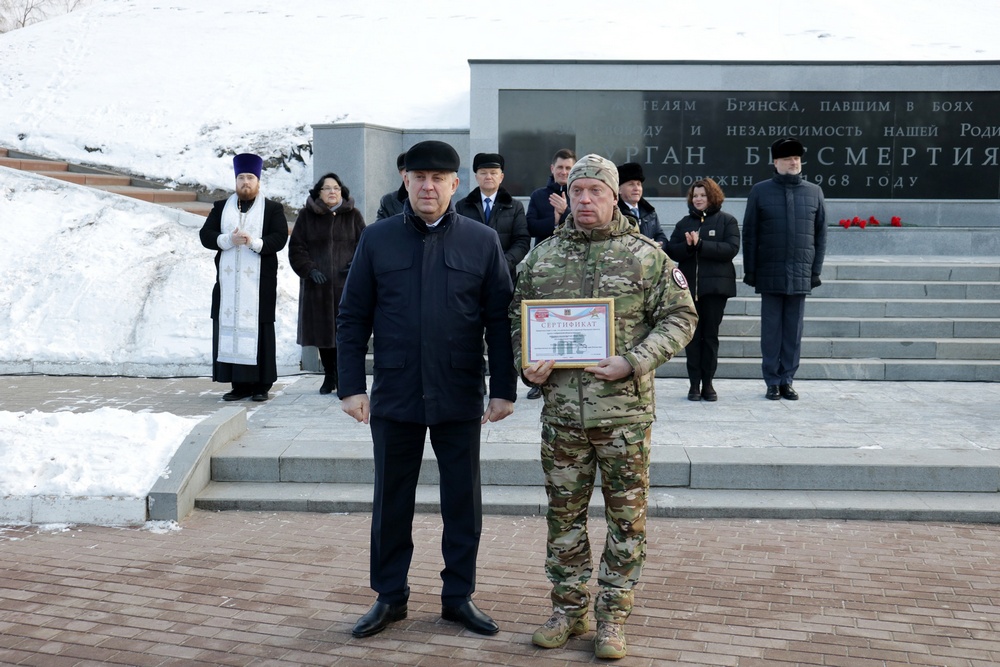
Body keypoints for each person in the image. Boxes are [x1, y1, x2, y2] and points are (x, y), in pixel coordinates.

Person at [511, 154, 697, 660]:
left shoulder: (646, 256)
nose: (586, 200)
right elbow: (516, 319)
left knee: (626, 519)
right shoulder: (541, 258)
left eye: (597, 190)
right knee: (563, 517)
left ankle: (613, 614)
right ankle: (569, 610)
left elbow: (681, 318)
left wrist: (634, 361)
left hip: (624, 418)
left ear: (616, 196)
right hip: (563, 419)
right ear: (566, 196)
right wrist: (526, 364)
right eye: (578, 191)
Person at [337, 140, 517, 639]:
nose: (428, 186)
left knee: (463, 502)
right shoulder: (377, 239)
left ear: (455, 184)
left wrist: (502, 389)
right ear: (405, 181)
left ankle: (458, 597)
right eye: (418, 177)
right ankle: (389, 597)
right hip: (395, 393)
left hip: (458, 393)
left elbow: (499, 321)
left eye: (438, 178)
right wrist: (351, 386)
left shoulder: (481, 242)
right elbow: (352, 317)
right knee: (391, 501)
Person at [741, 137, 827, 401]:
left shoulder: (814, 192)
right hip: (770, 271)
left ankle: (787, 379)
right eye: (788, 158)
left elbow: (820, 234)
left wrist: (815, 271)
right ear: (776, 162)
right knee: (771, 331)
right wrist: (751, 270)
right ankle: (771, 380)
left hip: (800, 272)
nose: (793, 162)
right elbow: (751, 233)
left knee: (793, 331)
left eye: (797, 159)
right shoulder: (760, 191)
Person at [199, 153, 288, 402]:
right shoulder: (221, 207)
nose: (245, 182)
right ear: (235, 180)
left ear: (258, 181)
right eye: (241, 177)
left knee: (259, 330)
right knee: (230, 328)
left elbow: (280, 237)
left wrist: (254, 242)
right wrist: (228, 240)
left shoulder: (272, 208)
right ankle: (239, 385)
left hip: (259, 285)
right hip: (228, 286)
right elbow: (206, 235)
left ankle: (261, 385)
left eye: (250, 177)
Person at [288, 173, 365, 395]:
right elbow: (297, 248)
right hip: (317, 287)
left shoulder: (353, 215)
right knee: (323, 332)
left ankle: (342, 376)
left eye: (336, 188)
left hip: (346, 286)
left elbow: (365, 244)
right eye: (327, 188)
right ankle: (329, 375)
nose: (332, 192)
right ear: (318, 192)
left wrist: (354, 266)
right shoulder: (306, 216)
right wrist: (310, 269)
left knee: (344, 332)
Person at [665, 178, 741, 402]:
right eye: (695, 195)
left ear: (712, 196)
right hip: (688, 289)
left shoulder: (728, 221)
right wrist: (688, 247)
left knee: (710, 337)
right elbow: (672, 250)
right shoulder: (684, 222)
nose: (698, 199)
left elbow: (730, 248)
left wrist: (702, 245)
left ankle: (708, 384)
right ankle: (693, 385)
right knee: (692, 337)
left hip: (715, 289)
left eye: (703, 195)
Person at [524, 147, 576, 399]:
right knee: (542, 321)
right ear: (552, 169)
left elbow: (584, 224)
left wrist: (566, 210)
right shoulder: (538, 195)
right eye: (560, 167)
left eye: (568, 168)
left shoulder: (579, 194)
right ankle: (538, 380)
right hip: (544, 267)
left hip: (573, 267)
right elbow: (530, 226)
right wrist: (554, 218)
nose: (564, 172)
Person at [455, 151, 530, 281]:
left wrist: (503, 263)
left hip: (504, 276)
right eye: (483, 173)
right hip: (470, 276)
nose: (488, 177)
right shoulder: (462, 206)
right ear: (476, 177)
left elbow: (522, 242)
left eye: (493, 173)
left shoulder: (515, 207)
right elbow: (456, 241)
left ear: (501, 177)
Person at [615, 162, 667, 249]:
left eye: (639, 184)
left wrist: (659, 244)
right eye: (631, 184)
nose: (636, 188)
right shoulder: (614, 213)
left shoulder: (650, 212)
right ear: (619, 190)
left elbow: (660, 235)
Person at [375, 152, 407, 221]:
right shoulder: (388, 201)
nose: (408, 175)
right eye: (406, 171)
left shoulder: (429, 196)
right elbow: (379, 228)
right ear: (400, 173)